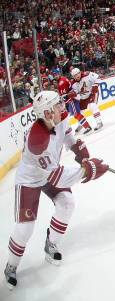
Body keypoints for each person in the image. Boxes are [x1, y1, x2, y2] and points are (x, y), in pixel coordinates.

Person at [4, 91, 109, 290]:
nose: (62, 106)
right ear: (47, 113)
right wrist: (88, 170)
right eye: (57, 105)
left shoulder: (59, 119)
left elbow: (70, 138)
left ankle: (50, 243)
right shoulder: (37, 140)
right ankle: (11, 265)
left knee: (67, 203)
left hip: (50, 171)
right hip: (30, 180)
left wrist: (83, 155)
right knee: (25, 229)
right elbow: (57, 176)